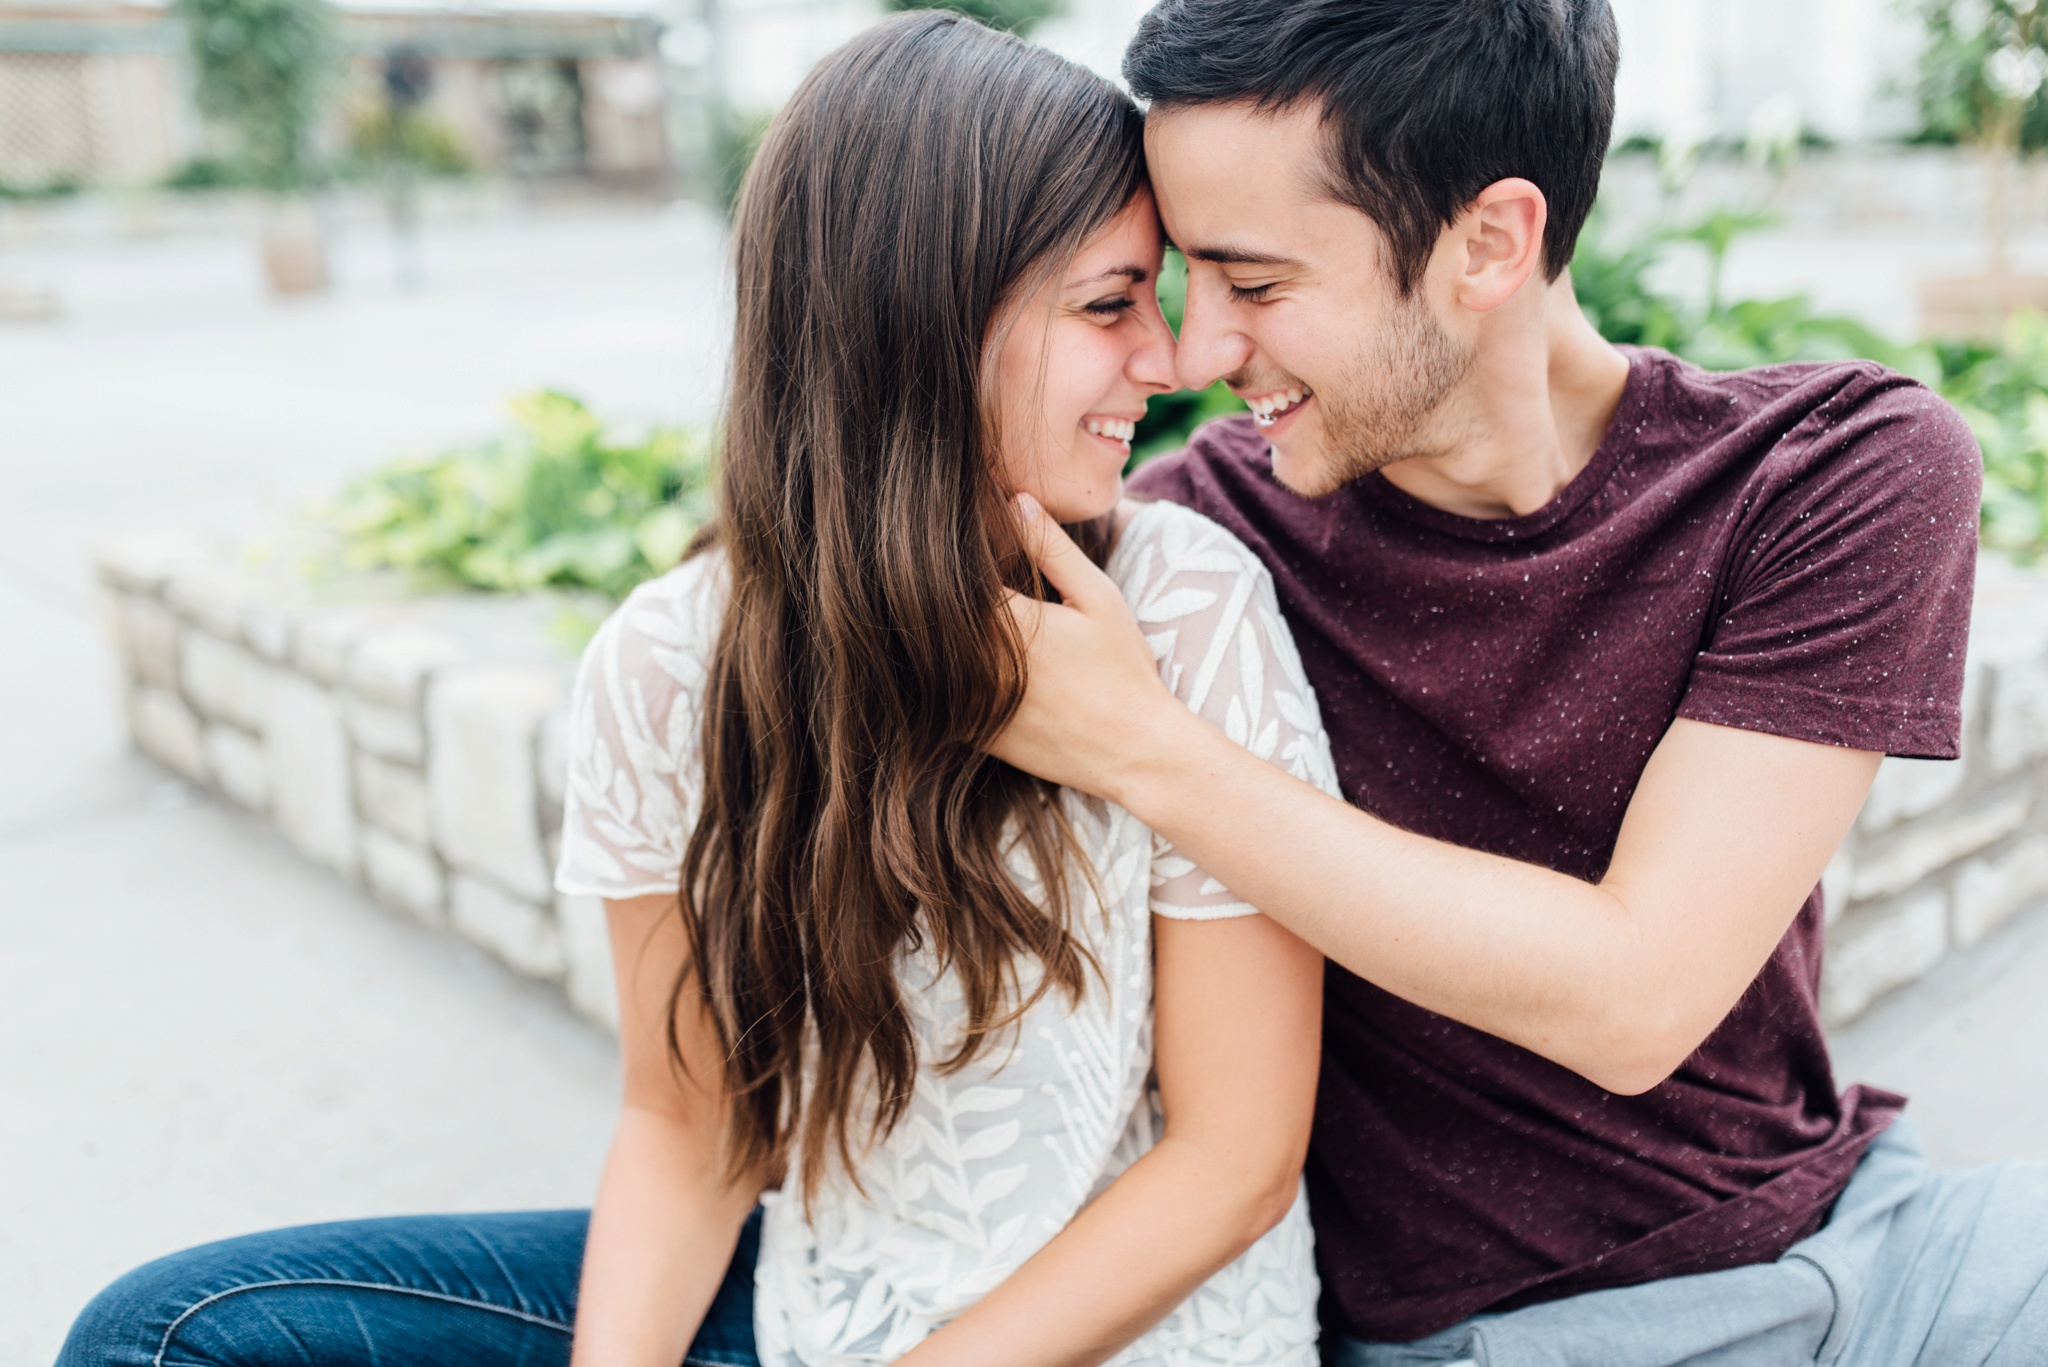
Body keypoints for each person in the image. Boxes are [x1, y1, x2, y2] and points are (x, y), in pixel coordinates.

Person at [55, 13, 1338, 1367]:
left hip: (1142, 1338)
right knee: (167, 1336)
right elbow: (688, 1127)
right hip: (815, 1312)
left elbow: (1233, 1160)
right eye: (1107, 304)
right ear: (918, 319)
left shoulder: (1188, 609)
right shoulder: (677, 663)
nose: (1168, 359)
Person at [984, 1, 2043, 1364]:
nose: (1196, 353)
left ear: (1490, 243)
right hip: (1495, 1336)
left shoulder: (1828, 473)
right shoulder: (1189, 555)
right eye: (1185, 278)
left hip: (1875, 1255)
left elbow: (1636, 996)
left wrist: (1152, 752)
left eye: (1254, 286)